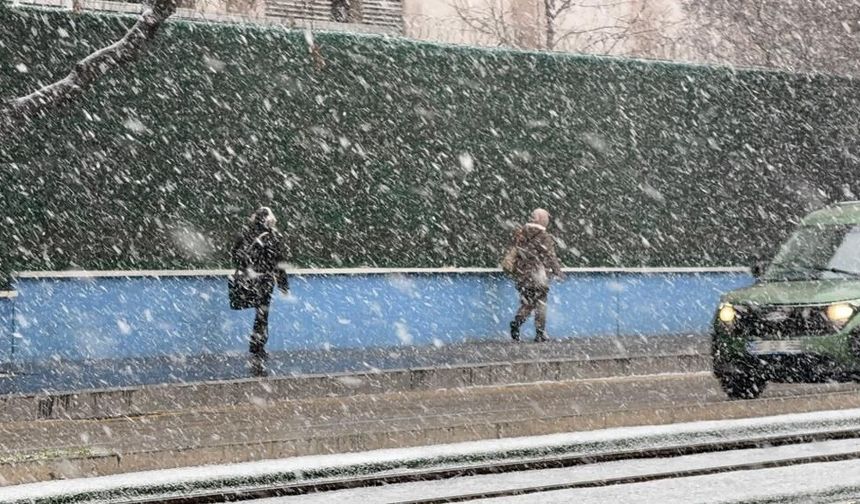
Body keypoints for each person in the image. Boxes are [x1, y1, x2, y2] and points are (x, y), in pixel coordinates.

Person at [230, 207, 289, 364]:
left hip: (249, 279)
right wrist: (283, 285)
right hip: (264, 280)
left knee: (259, 312)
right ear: (269, 220)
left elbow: (235, 256)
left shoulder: (245, 234)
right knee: (262, 315)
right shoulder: (272, 237)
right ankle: (258, 347)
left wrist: (247, 269)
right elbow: (279, 262)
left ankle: (256, 346)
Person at [508, 208, 563, 342]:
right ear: (541, 220)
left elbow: (516, 252)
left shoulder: (521, 233)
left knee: (527, 302)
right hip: (538, 275)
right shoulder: (544, 236)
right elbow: (550, 256)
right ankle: (540, 333)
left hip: (522, 274)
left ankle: (517, 321)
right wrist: (558, 271)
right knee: (541, 303)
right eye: (546, 219)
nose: (548, 221)